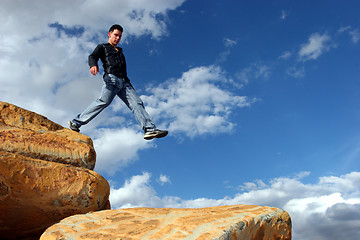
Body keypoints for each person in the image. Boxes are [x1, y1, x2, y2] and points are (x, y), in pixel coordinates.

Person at [68, 24, 168, 140]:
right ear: (109, 34)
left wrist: (127, 83)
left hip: (125, 83)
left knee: (137, 103)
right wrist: (93, 65)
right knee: (103, 101)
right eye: (115, 35)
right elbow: (93, 56)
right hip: (111, 80)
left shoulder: (120, 52)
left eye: (120, 36)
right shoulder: (103, 47)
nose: (117, 38)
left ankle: (149, 129)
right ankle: (76, 122)